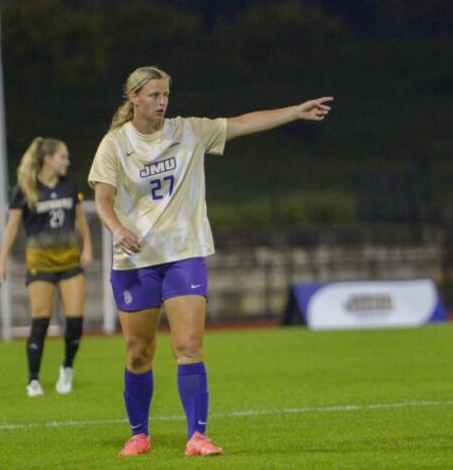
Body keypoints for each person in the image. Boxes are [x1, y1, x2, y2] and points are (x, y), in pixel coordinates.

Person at [88, 66, 332, 457]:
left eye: (166, 95)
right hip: (136, 261)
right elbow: (102, 199)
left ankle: (197, 436)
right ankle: (139, 434)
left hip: (184, 254)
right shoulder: (114, 144)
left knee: (189, 346)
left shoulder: (188, 131)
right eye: (154, 95)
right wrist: (117, 228)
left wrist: (294, 112)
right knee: (138, 352)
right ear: (133, 98)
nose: (162, 102)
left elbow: (243, 123)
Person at [0, 137, 93, 397]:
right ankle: (33, 380)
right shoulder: (26, 189)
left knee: (75, 322)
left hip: (69, 261)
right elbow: (12, 227)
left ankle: (67, 368)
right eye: (62, 156)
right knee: (41, 320)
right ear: (48, 159)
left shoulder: (70, 186)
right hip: (40, 263)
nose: (67, 161)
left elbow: (81, 220)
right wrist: (1, 261)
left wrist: (88, 247)